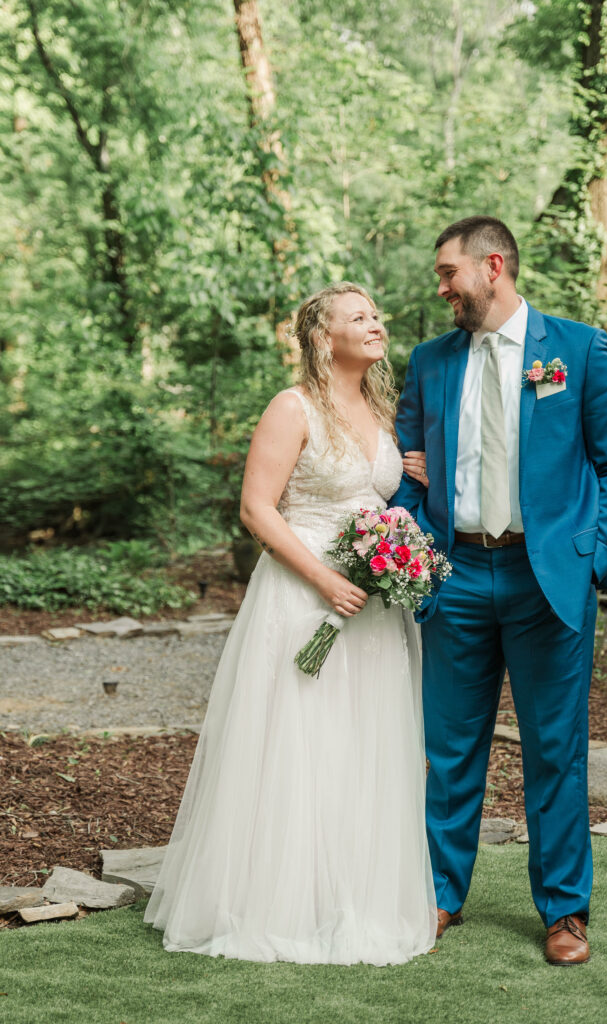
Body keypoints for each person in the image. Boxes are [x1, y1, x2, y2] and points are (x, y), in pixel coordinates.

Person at [145, 282, 437, 965]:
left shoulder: (384, 410)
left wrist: (411, 475)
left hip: (369, 609)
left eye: (376, 315)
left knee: (361, 749)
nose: (375, 324)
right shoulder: (291, 406)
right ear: (320, 335)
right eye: (358, 316)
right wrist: (326, 579)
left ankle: (351, 900)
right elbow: (257, 509)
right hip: (304, 597)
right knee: (298, 746)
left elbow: (380, 492)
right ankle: (276, 905)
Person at [394, 216, 607, 965]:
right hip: (457, 576)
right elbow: (402, 469)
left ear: (491, 265)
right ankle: (439, 895)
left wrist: (592, 555)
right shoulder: (429, 362)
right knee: (449, 748)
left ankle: (564, 912)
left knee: (555, 752)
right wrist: (414, 555)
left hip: (549, 581)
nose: (441, 289)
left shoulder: (576, 348)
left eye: (448, 274)